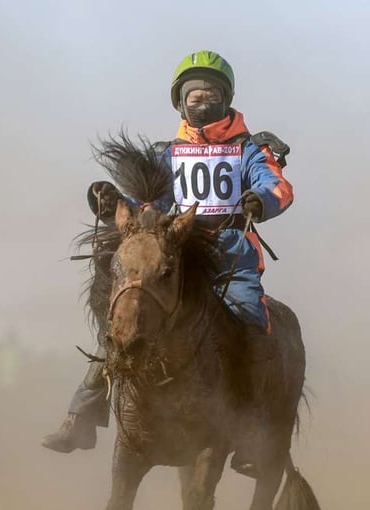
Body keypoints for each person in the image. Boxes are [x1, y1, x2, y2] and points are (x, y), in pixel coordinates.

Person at [42, 50, 294, 460]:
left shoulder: (249, 150)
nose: (202, 101)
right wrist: (110, 199)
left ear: (226, 98)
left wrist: (259, 200)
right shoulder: (168, 153)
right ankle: (81, 416)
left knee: (253, 324)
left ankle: (252, 432)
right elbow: (146, 204)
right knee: (125, 322)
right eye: (194, 96)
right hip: (178, 264)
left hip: (231, 261)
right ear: (180, 102)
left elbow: (278, 186)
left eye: (211, 94)